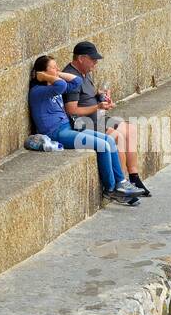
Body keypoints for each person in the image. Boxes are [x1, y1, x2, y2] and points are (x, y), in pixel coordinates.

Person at [28, 55, 140, 206]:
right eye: (53, 67)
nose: (57, 69)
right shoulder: (38, 91)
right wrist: (46, 77)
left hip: (67, 128)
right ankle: (110, 188)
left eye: (57, 67)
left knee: (109, 140)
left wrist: (56, 74)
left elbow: (77, 81)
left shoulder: (52, 87)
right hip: (56, 133)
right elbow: (61, 86)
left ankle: (121, 182)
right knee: (102, 145)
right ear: (42, 73)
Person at [62, 41, 151, 197]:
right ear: (81, 58)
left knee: (130, 129)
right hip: (83, 123)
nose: (95, 63)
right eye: (93, 59)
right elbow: (71, 110)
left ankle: (134, 178)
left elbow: (89, 93)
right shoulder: (72, 78)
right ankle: (121, 184)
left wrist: (101, 95)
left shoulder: (85, 72)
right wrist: (98, 107)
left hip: (97, 118)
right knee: (118, 136)